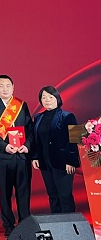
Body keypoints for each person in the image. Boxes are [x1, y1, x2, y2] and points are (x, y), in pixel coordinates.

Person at [0, 75, 33, 237]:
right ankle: (8, 225)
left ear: (13, 87)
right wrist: (4, 146)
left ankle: (25, 224)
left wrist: (27, 146)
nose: (5, 89)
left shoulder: (21, 105)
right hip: (3, 155)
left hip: (22, 155)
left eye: (8, 86)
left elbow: (30, 128)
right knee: (5, 192)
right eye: (1, 86)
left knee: (24, 191)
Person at [31, 86, 79, 214]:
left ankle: (69, 224)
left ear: (57, 98)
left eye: (50, 97)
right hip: (45, 162)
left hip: (63, 162)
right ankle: (56, 223)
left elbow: (76, 140)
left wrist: (71, 161)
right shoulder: (38, 117)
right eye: (44, 97)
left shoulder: (68, 116)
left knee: (65, 195)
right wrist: (35, 157)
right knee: (52, 195)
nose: (47, 100)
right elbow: (36, 139)